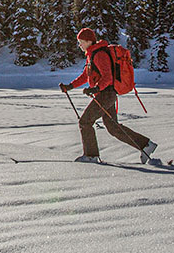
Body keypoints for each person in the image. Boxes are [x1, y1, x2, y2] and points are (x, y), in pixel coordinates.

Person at [60, 27, 158, 164]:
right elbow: (85, 76)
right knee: (113, 127)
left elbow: (108, 77)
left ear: (89, 41)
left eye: (81, 41)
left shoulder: (99, 54)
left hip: (106, 95)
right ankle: (145, 145)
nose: (79, 45)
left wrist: (96, 89)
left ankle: (90, 155)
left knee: (85, 122)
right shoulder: (91, 55)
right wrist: (69, 86)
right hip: (106, 94)